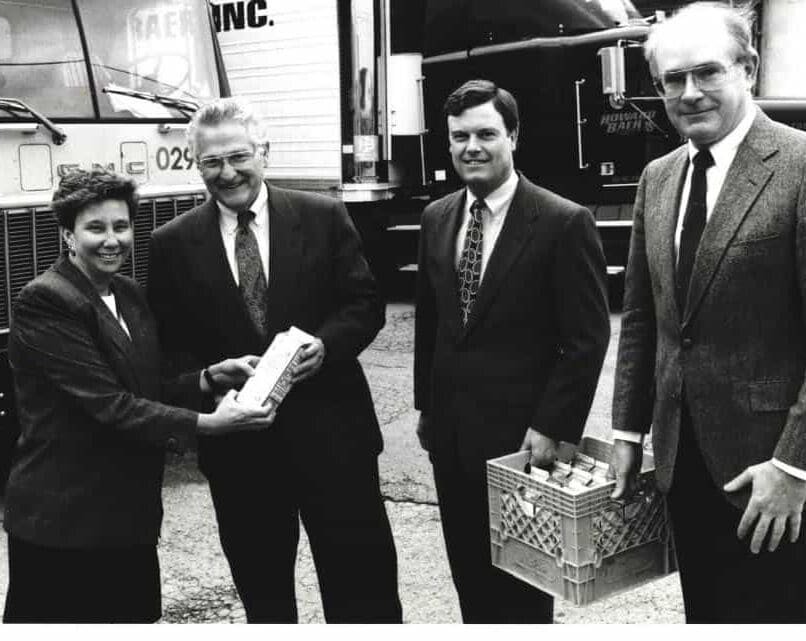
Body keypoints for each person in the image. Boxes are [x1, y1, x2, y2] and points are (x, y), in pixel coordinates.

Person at [146, 97, 402, 623]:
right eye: (212, 162)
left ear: (264, 152)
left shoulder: (323, 215)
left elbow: (364, 304)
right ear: (196, 165)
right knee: (266, 602)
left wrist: (326, 346)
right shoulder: (171, 243)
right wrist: (208, 376)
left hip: (336, 441)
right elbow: (167, 346)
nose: (228, 172)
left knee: (365, 595)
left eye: (239, 156)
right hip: (242, 455)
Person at [2, 169, 274, 623]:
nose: (112, 240)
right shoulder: (46, 301)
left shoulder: (126, 293)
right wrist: (210, 425)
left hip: (127, 516)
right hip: (64, 521)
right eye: (96, 228)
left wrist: (209, 378)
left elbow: (147, 386)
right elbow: (110, 404)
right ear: (68, 235)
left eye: (121, 226)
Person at [610, 2, 806, 623]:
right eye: (673, 79)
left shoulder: (800, 167)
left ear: (746, 69)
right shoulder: (658, 178)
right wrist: (626, 433)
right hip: (683, 466)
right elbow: (643, 317)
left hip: (772, 473)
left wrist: (794, 466)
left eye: (708, 73)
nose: (689, 93)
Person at [414, 79, 610, 623]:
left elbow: (588, 339)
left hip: (522, 443)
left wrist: (552, 426)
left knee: (522, 586)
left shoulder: (563, 221)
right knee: (469, 577)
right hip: (451, 439)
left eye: (485, 134)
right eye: (459, 137)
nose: (471, 147)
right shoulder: (437, 218)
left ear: (513, 136)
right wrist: (426, 408)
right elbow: (431, 325)